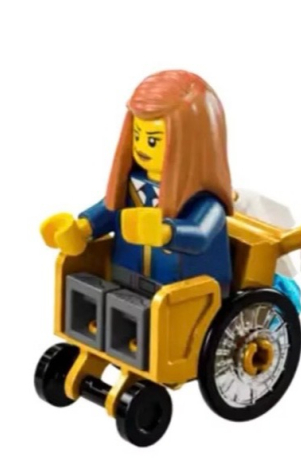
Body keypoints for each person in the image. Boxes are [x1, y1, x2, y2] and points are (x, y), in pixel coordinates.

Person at [41, 70, 233, 295]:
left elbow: (199, 234)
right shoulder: (133, 186)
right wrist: (82, 229)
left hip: (184, 290)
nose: (141, 147)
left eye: (152, 141)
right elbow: (111, 210)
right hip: (126, 278)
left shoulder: (206, 202)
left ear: (192, 143)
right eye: (137, 136)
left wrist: (165, 232)